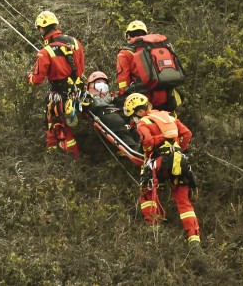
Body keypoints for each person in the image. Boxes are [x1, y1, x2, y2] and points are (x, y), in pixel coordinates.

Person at [124, 93, 201, 247]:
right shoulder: (168, 116)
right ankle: (194, 238)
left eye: (133, 117)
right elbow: (187, 134)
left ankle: (153, 229)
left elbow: (147, 142)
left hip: (159, 162)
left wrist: (159, 143)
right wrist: (177, 148)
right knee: (184, 202)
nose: (134, 121)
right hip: (179, 160)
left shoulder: (143, 122)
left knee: (147, 192)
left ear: (138, 112)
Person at [27, 11, 85, 160]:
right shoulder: (76, 42)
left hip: (60, 95)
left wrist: (29, 76)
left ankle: (71, 159)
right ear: (56, 24)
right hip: (80, 92)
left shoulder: (44, 52)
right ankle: (53, 154)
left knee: (57, 124)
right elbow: (81, 69)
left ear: (41, 29)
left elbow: (37, 80)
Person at [116, 20, 182, 113]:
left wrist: (121, 97)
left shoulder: (124, 54)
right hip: (167, 97)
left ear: (127, 36)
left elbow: (123, 82)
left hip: (143, 101)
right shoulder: (156, 49)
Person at [81, 71, 140, 152]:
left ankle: (143, 145)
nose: (102, 84)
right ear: (91, 85)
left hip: (117, 112)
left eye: (104, 82)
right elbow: (94, 105)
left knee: (135, 125)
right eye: (98, 82)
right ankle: (132, 147)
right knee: (118, 123)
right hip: (105, 114)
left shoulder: (110, 95)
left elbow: (118, 101)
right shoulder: (89, 97)